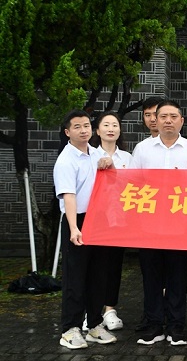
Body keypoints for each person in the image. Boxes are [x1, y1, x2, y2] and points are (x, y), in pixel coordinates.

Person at [131, 100, 187, 346]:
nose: (167, 121)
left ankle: (176, 326)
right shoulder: (142, 149)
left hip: (181, 226)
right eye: (162, 116)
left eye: (173, 116)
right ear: (155, 120)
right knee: (151, 278)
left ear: (181, 121)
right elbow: (132, 184)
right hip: (149, 226)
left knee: (178, 278)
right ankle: (154, 325)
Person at [55, 110, 117, 349]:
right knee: (75, 278)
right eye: (77, 127)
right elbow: (69, 196)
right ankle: (70, 329)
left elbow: (111, 179)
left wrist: (109, 162)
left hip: (99, 220)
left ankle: (94, 324)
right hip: (78, 221)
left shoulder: (96, 153)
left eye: (86, 126)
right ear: (67, 132)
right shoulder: (66, 160)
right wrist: (73, 228)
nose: (83, 130)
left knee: (98, 275)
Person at [89, 112, 132, 332]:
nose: (110, 129)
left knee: (114, 264)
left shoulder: (128, 157)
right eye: (105, 125)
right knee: (94, 265)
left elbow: (135, 185)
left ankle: (109, 309)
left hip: (119, 219)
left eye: (115, 125)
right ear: (97, 130)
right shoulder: (89, 154)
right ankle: (91, 311)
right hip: (95, 218)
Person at [133, 96, 164, 332]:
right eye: (148, 115)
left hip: (177, 222)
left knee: (173, 273)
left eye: (157, 114)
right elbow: (134, 184)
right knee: (150, 272)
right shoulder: (141, 149)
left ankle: (172, 316)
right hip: (148, 221)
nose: (153, 119)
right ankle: (151, 316)